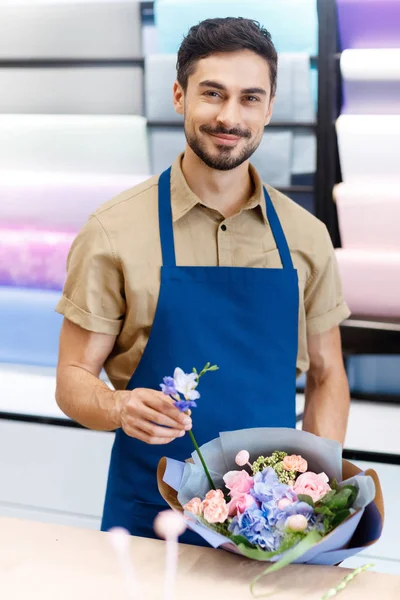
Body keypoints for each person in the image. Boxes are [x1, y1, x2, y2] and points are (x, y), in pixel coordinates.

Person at [55, 17, 351, 544]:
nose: (229, 117)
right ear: (178, 95)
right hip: (151, 516)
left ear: (269, 106)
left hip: (271, 524)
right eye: (212, 93)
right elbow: (73, 377)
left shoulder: (307, 237)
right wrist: (119, 406)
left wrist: (313, 496)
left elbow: (328, 375)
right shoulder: (112, 230)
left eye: (249, 98)